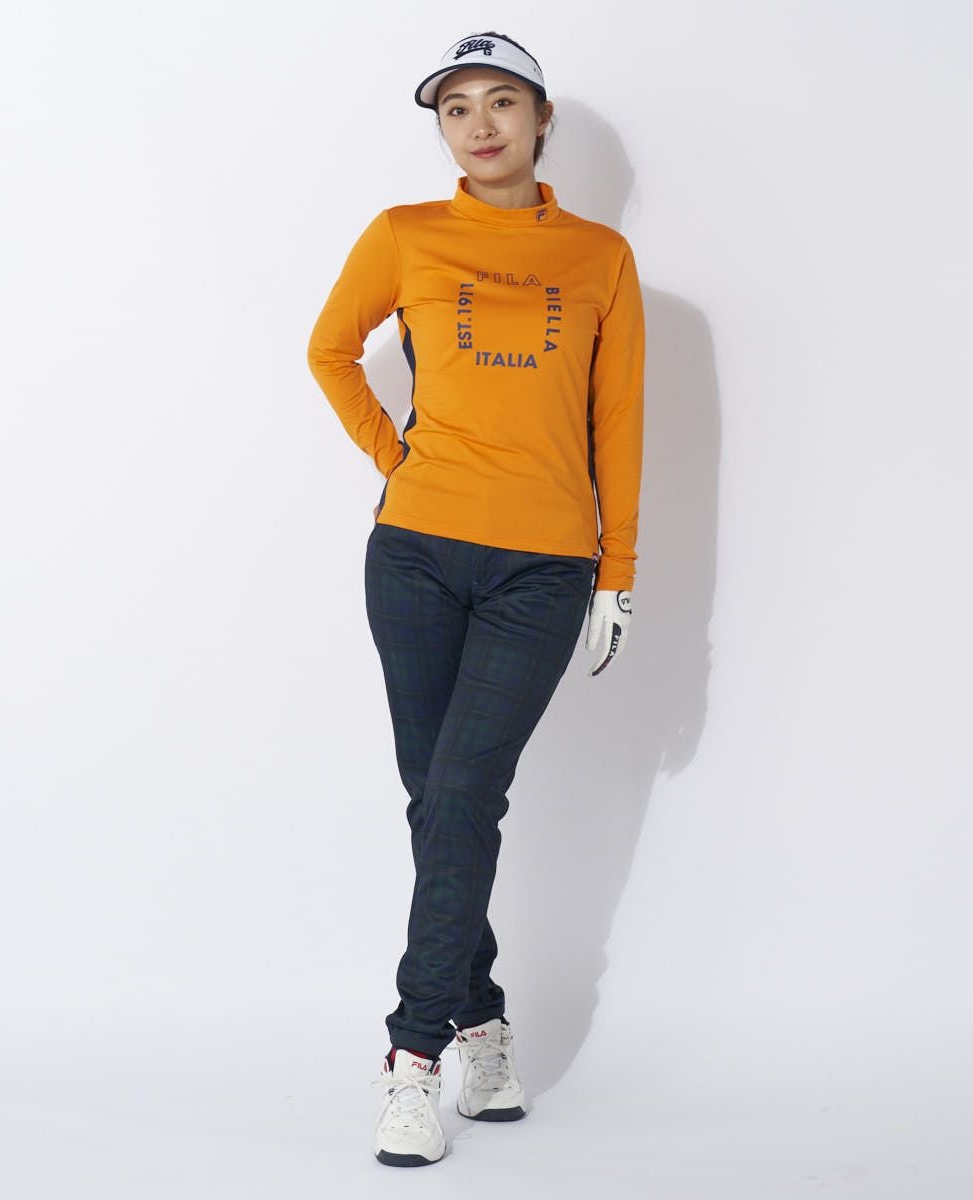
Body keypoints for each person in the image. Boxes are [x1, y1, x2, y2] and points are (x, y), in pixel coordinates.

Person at [307, 31, 645, 1167]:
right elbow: (329, 350)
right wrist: (393, 455)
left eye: (503, 101)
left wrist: (618, 570)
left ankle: (411, 1056)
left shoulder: (599, 257)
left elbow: (618, 420)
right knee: (440, 805)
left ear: (542, 119)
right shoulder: (406, 235)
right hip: (413, 555)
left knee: (459, 793)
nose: (480, 125)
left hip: (540, 566)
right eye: (457, 108)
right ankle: (483, 1028)